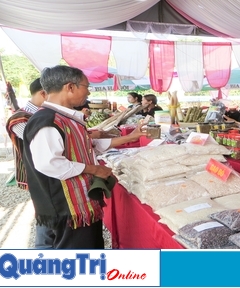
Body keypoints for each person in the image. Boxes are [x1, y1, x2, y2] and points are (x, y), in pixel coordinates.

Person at [22, 65, 147, 249]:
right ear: (70, 87)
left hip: (81, 205)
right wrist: (95, 169)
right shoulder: (48, 121)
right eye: (86, 86)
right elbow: (50, 164)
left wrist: (130, 137)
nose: (88, 92)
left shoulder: (65, 118)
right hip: (66, 208)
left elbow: (88, 146)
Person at [5, 78, 56, 248]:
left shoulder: (42, 114)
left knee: (53, 211)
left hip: (51, 171)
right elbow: (39, 142)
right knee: (46, 212)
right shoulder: (19, 119)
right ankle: (44, 250)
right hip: (37, 174)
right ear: (43, 93)